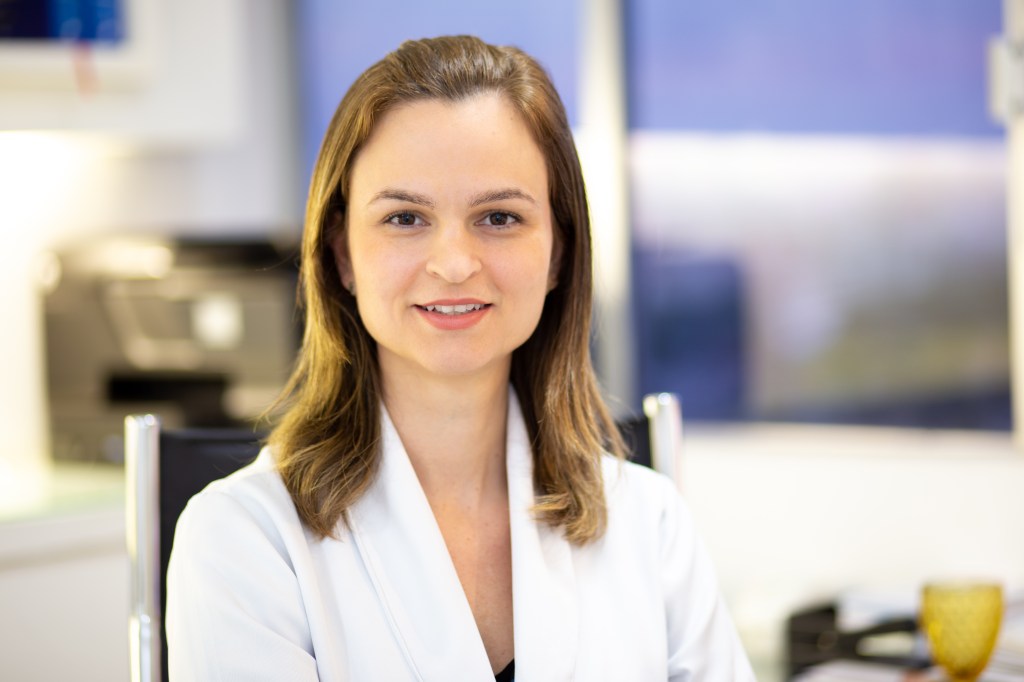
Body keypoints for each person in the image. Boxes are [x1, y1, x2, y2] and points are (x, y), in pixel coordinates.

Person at [166, 35, 755, 681]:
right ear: (342, 254)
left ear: (558, 253)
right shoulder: (244, 539)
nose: (453, 264)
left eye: (499, 218)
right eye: (404, 218)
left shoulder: (649, 521)